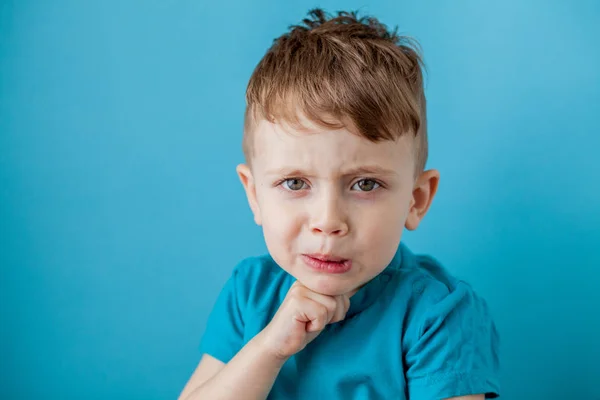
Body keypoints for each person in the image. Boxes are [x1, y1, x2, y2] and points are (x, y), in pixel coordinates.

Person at [179, 8, 500, 400]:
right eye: (295, 182)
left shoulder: (437, 314)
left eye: (366, 184)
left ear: (415, 200)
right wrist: (268, 349)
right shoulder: (251, 291)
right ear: (254, 195)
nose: (328, 221)